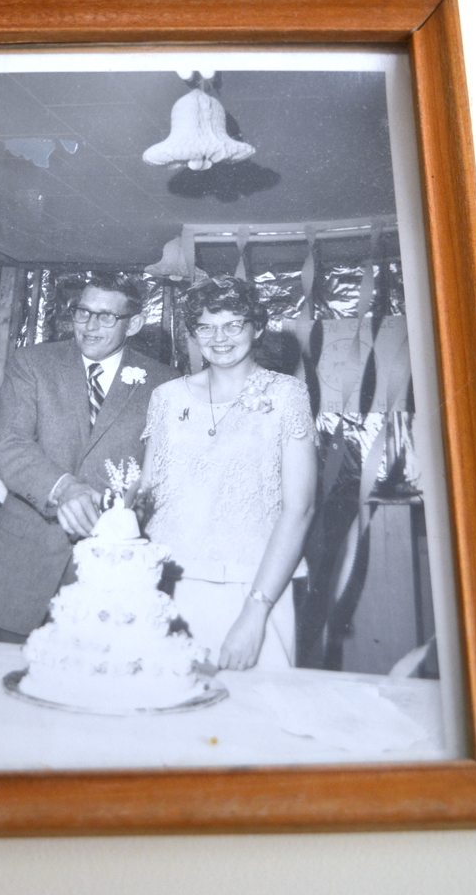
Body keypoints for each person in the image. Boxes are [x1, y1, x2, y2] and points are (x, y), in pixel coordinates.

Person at [0, 274, 174, 639]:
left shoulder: (163, 384)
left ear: (135, 324)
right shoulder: (32, 363)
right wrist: (64, 489)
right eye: (83, 312)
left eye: (106, 316)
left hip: (108, 572)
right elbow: (6, 442)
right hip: (21, 569)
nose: (91, 326)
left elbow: (163, 472)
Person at [139, 276, 317, 671]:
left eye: (233, 324)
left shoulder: (287, 395)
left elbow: (299, 510)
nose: (219, 337)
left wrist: (256, 612)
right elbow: (145, 492)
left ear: (257, 327)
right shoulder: (166, 398)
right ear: (193, 333)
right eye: (206, 326)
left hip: (253, 588)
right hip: (167, 586)